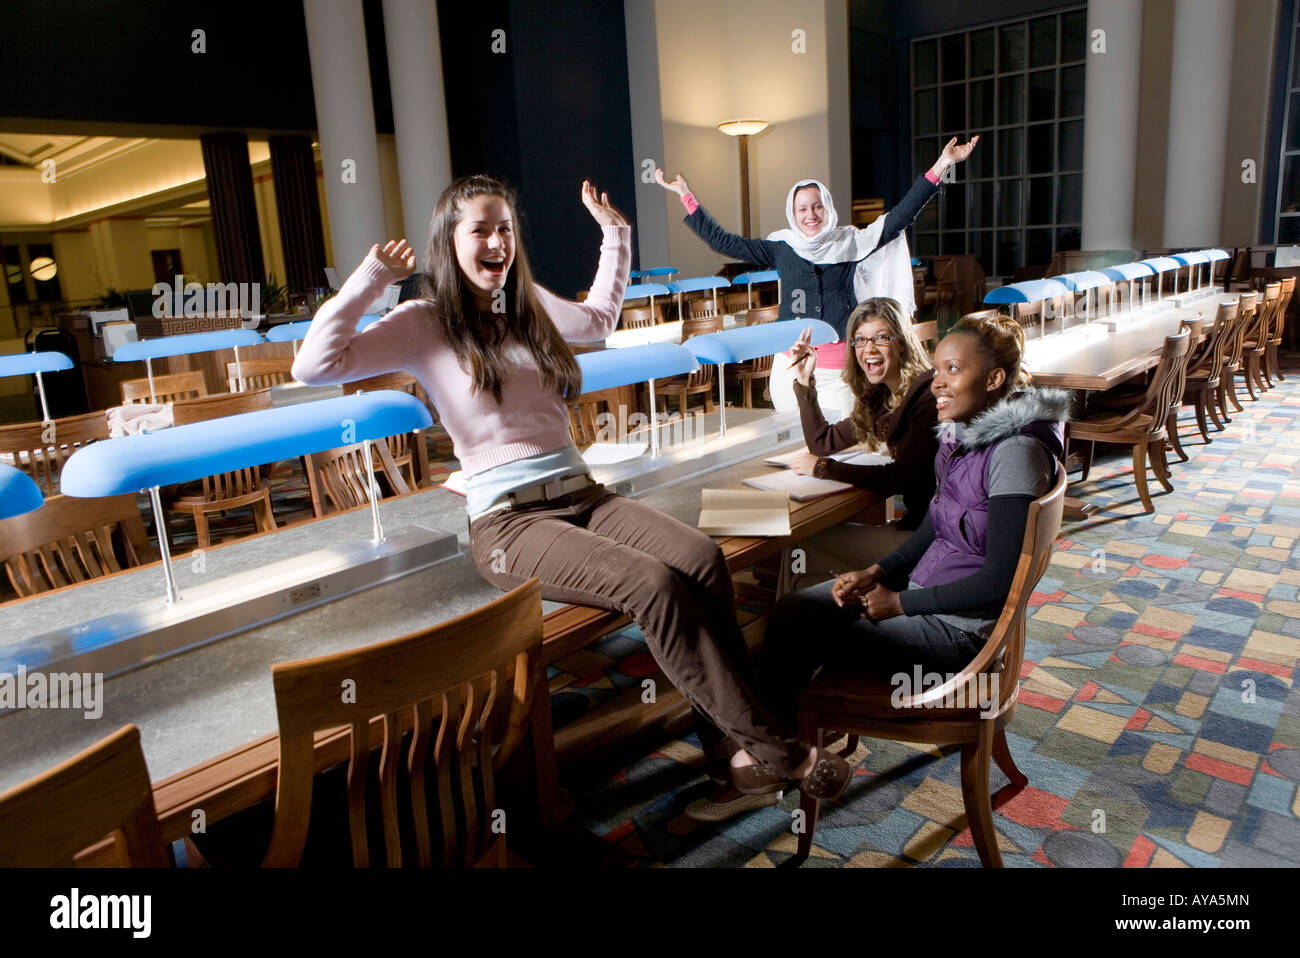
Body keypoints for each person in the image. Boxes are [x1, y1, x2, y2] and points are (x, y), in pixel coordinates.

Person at [291, 173, 854, 805]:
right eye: (480, 228)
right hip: (507, 524)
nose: (497, 240)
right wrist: (367, 282)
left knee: (699, 557)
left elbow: (595, 321)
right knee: (654, 584)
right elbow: (314, 366)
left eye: (504, 227)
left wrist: (615, 238)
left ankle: (729, 754)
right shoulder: (425, 321)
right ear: (449, 242)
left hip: (581, 494)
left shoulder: (523, 303)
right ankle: (777, 750)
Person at [758, 313, 1068, 748]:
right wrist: (876, 572)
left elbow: (999, 582)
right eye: (938, 369)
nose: (937, 383)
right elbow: (934, 528)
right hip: (933, 597)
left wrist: (901, 603)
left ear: (995, 378)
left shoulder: (1014, 452)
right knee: (797, 610)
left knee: (796, 628)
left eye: (953, 370)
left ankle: (777, 753)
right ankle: (788, 740)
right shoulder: (961, 433)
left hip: (959, 634)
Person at [655, 136, 977, 418]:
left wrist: (942, 164)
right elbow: (723, 242)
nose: (811, 215)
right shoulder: (782, 247)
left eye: (817, 207)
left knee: (841, 442)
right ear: (793, 214)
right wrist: (686, 195)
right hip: (790, 365)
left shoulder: (852, 243)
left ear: (828, 208)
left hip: (840, 370)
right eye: (802, 209)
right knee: (792, 440)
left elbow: (900, 216)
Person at [778, 296, 939, 593]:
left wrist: (825, 469)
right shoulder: (884, 399)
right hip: (916, 531)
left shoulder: (925, 398)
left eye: (881, 338)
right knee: (808, 564)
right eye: (860, 340)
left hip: (928, 544)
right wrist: (804, 380)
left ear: (901, 342)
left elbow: (901, 477)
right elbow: (822, 441)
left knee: (799, 546)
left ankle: (793, 629)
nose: (869, 349)